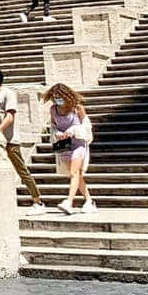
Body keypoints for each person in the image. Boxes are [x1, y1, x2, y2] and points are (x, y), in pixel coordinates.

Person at [0, 68, 46, 215]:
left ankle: (38, 201)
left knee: (21, 170)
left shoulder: (7, 93)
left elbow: (10, 117)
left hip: (9, 140)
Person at [44, 83, 96, 215]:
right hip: (63, 144)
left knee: (74, 172)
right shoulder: (53, 109)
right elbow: (53, 125)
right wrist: (56, 132)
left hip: (78, 142)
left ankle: (69, 202)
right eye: (55, 97)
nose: (57, 100)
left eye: (59, 96)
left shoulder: (77, 108)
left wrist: (73, 130)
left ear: (66, 95)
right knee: (76, 174)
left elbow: (86, 125)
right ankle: (89, 200)